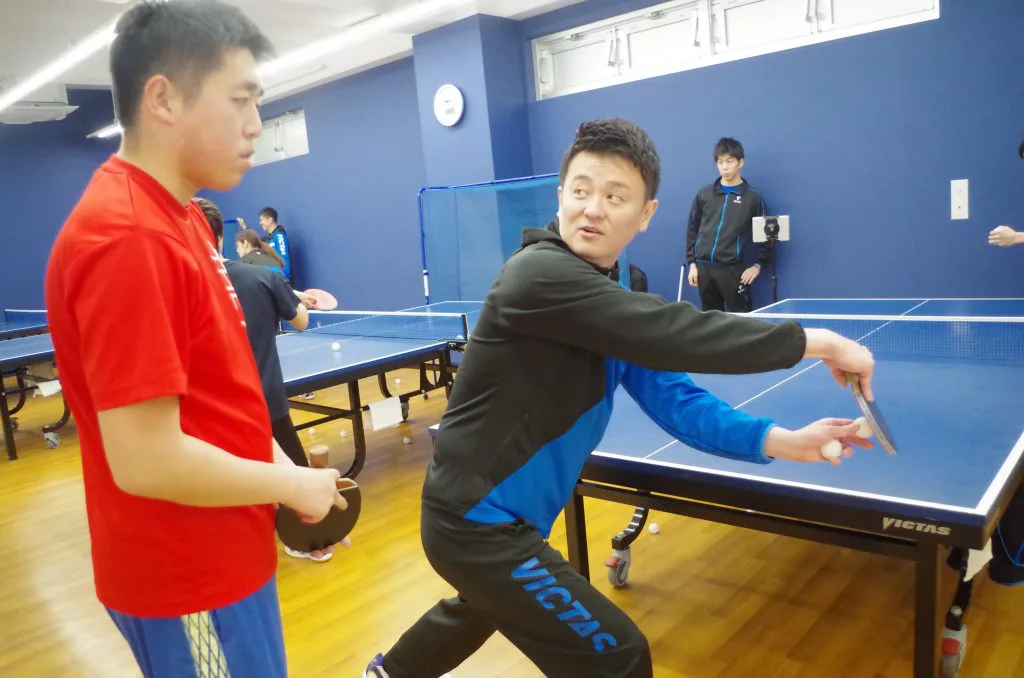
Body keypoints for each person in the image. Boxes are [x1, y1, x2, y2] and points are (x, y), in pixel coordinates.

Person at [363, 118, 875, 678]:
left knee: (483, 606)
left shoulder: (612, 296)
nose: (593, 209)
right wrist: (818, 342)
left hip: (507, 518)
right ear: (560, 196)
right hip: (475, 522)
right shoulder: (537, 274)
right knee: (618, 656)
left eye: (615, 196)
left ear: (645, 214)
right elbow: (678, 331)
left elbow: (676, 399)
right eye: (580, 190)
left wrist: (783, 441)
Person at [43, 3, 348, 676]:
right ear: (164, 99)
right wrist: (289, 484)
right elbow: (147, 460)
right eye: (240, 100)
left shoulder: (179, 217)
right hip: (187, 577)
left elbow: (223, 392)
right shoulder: (127, 236)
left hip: (227, 556)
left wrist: (289, 476)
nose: (256, 123)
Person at [195, 197, 336, 563]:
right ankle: (308, 540)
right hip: (266, 396)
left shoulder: (183, 286)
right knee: (292, 468)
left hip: (212, 409)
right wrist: (292, 298)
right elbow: (301, 320)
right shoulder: (264, 276)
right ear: (222, 238)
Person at [686, 137, 770, 312]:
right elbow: (692, 228)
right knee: (710, 320)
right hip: (704, 269)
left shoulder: (753, 197)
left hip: (732, 270)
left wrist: (758, 265)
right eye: (720, 162)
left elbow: (766, 235)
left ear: (740, 162)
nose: (724, 167)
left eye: (729, 161)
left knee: (741, 320)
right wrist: (692, 264)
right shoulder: (704, 194)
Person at [240, 207, 292, 284]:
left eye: (261, 220)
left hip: (281, 282)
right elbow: (256, 240)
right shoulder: (269, 238)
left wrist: (284, 282)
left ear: (270, 220)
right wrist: (245, 227)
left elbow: (285, 263)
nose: (260, 223)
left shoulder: (279, 236)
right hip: (273, 281)